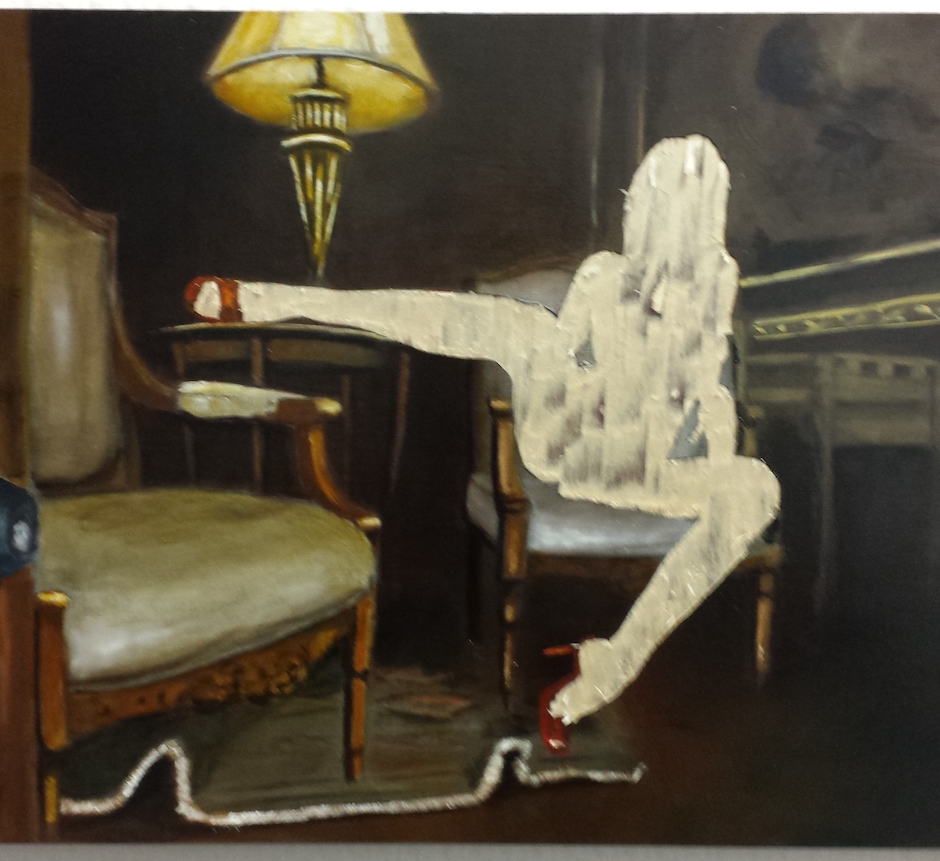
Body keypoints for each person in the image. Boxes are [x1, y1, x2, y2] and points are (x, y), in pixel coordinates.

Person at [196, 134, 780, 728]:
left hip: (647, 469)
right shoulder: (606, 275)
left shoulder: (714, 286)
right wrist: (618, 368)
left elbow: (705, 405)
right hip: (573, 447)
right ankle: (269, 300)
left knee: (756, 486)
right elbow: (582, 366)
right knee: (511, 324)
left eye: (644, 198)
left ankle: (615, 663)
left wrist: (704, 432)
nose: (631, 208)